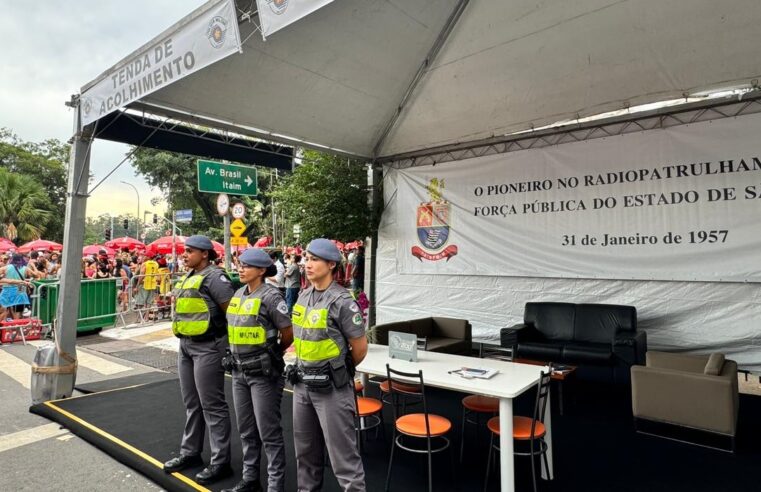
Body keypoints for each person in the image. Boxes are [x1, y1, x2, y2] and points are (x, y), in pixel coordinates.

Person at [287, 238, 368, 491]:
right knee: (306, 455)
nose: (306, 264)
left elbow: (360, 349)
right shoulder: (303, 296)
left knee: (344, 460)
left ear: (331, 264)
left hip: (332, 389)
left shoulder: (343, 301)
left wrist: (335, 372)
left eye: (314, 259)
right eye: (306, 259)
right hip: (302, 387)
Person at [163, 235, 235, 485]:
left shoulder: (216, 278)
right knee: (192, 403)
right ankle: (190, 453)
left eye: (189, 251)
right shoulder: (189, 276)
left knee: (212, 405)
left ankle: (220, 462)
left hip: (209, 347)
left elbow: (232, 314)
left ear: (205, 253)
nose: (184, 254)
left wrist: (229, 348)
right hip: (186, 346)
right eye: (185, 250)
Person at [223, 249, 293, 492]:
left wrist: (273, 353)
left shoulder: (272, 297)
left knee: (269, 433)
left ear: (262, 270)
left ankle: (275, 486)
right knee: (246, 430)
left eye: (247, 266)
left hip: (264, 375)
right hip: (239, 373)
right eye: (240, 264)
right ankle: (250, 478)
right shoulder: (238, 294)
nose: (241, 269)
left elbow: (288, 333)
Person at [0, 254, 36, 319]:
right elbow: (37, 275)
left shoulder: (5, 268)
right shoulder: (25, 268)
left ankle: (7, 325)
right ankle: (17, 325)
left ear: (11, 259)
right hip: (21, 288)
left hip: (8, 289)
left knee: (5, 310)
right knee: (18, 311)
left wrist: (3, 279)